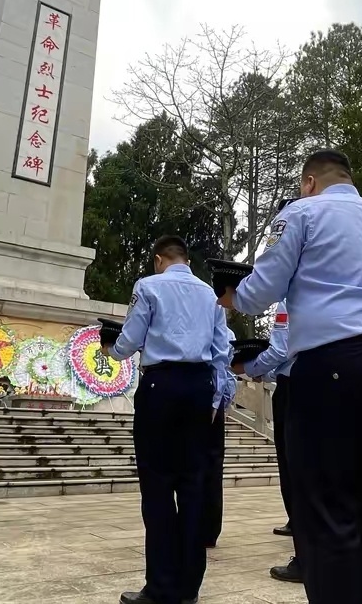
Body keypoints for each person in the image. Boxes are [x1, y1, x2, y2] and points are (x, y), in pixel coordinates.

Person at [219, 149, 362, 604]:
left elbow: (262, 291)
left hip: (334, 364)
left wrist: (236, 296)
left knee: (329, 508)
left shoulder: (301, 214)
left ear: (309, 182)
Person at [104, 235, 233, 604]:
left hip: (161, 386)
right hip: (198, 387)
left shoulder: (148, 286)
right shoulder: (211, 295)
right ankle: (189, 586)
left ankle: (160, 585)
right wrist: (218, 397)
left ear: (160, 259)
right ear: (186, 260)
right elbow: (222, 349)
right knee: (193, 487)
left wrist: (110, 347)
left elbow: (129, 341)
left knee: (158, 489)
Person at [237, 299, 303, 583]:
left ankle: (306, 551)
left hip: (295, 387)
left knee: (294, 467)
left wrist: (251, 368)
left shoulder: (290, 300)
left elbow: (280, 349)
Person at [203, 329, 239, 549]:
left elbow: (226, 372)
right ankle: (208, 530)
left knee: (205, 468)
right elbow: (228, 375)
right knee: (211, 469)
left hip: (204, 399)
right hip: (213, 403)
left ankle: (202, 528)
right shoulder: (225, 333)